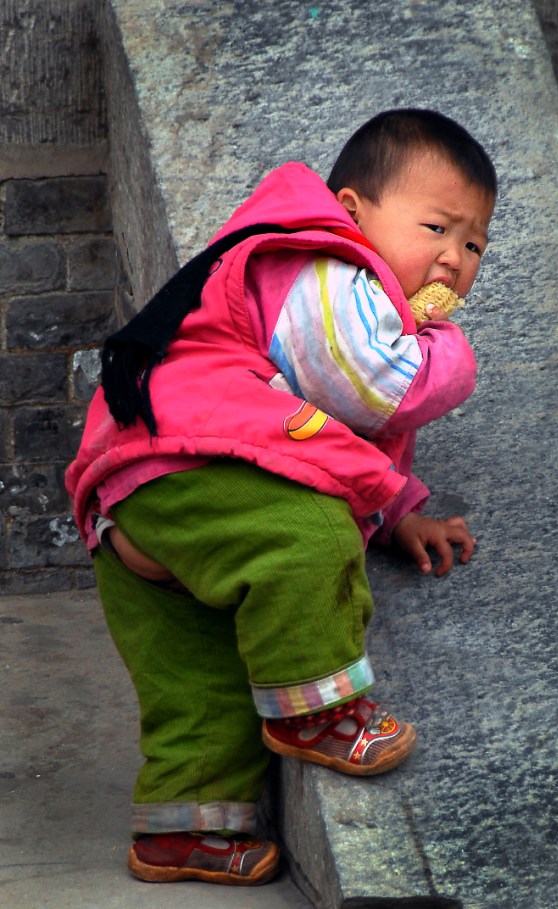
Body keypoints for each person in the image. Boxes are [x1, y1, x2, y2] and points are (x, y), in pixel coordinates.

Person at [66, 108, 496, 887]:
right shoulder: (327, 267)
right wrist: (451, 353)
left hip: (143, 497)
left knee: (197, 679)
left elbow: (335, 439)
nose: (453, 260)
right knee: (313, 536)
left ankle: (183, 828)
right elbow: (364, 385)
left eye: (474, 245)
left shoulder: (354, 288)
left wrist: (399, 513)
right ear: (355, 210)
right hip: (189, 457)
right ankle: (318, 709)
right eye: (436, 226)